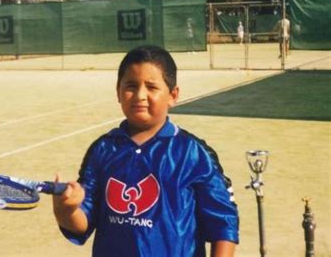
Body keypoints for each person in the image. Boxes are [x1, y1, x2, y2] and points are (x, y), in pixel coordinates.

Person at [53, 45, 239, 257]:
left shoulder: (193, 154)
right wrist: (65, 210)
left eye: (151, 87)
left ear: (173, 95)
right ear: (118, 92)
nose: (140, 95)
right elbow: (82, 224)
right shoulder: (103, 150)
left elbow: (223, 224)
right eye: (131, 86)